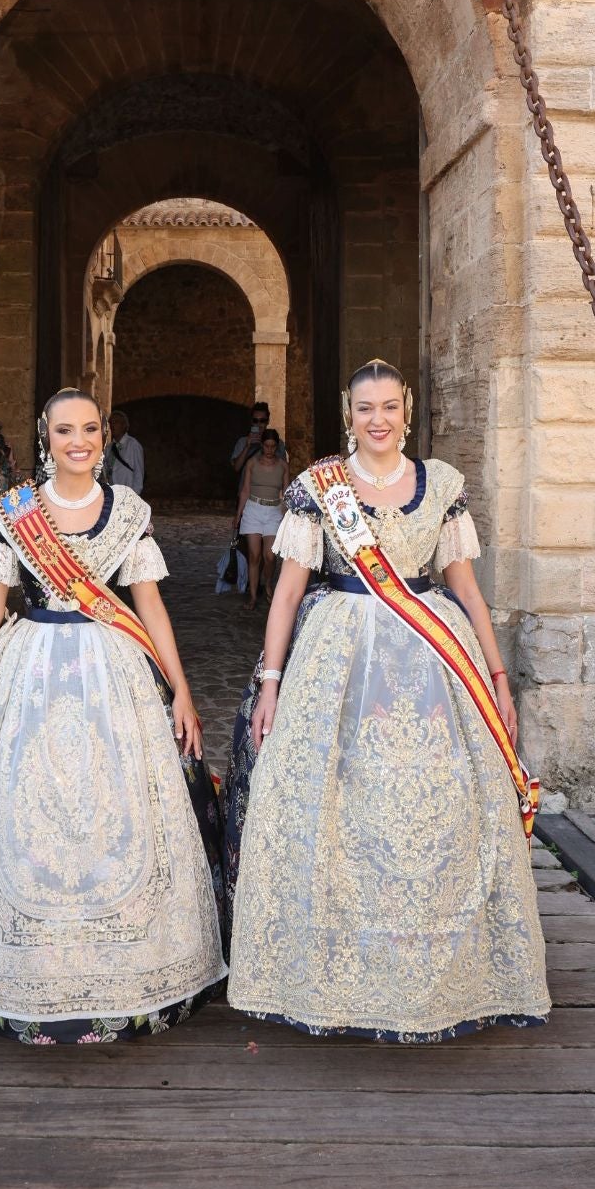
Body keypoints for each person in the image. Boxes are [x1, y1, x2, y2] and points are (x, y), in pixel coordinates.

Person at [223, 358, 549, 1040]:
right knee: (340, 806)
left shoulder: (440, 488)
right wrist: (272, 682)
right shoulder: (320, 489)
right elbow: (286, 593)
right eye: (365, 408)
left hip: (433, 660)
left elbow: (464, 588)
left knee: (437, 808)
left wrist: (496, 675)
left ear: (406, 409)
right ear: (350, 414)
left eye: (389, 408)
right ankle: (338, 964)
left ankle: (441, 967)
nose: (378, 420)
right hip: (338, 657)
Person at [0, 388, 226, 1044]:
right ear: (45, 435)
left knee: (112, 809)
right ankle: (22, 967)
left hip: (112, 673)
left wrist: (183, 691)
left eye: (89, 428)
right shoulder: (16, 513)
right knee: (29, 811)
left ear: (104, 435)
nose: (77, 440)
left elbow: (150, 606)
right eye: (64, 430)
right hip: (28, 671)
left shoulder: (129, 511)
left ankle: (125, 969)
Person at [233, 428, 288, 610]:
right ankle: (253, 596)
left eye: (273, 446)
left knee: (270, 556)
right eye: (266, 446)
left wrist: (287, 514)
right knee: (254, 555)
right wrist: (238, 515)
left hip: (273, 510)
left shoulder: (283, 465)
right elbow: (245, 490)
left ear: (277, 446)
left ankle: (269, 583)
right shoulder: (252, 463)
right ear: (262, 445)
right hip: (253, 509)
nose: (269, 450)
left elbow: (287, 493)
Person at [230, 401, 287, 482]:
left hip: (270, 489)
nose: (259, 424)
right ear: (251, 422)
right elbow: (236, 468)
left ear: (267, 421)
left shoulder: (278, 443)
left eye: (262, 420)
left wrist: (266, 446)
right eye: (255, 420)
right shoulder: (243, 442)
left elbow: (283, 470)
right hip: (248, 490)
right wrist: (247, 447)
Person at [105, 408, 145, 494]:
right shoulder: (109, 448)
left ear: (124, 425)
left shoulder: (133, 445)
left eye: (116, 422)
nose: (112, 425)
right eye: (111, 423)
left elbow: (139, 473)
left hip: (128, 495)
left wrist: (134, 496)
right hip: (113, 494)